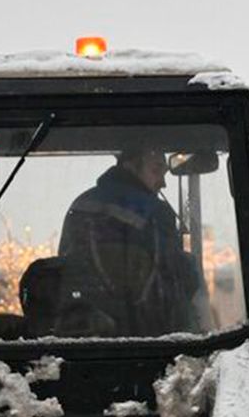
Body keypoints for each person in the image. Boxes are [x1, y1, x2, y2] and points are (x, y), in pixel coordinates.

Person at [54, 143, 206, 336]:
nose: (163, 182)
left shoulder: (81, 204)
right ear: (130, 167)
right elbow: (175, 278)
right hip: (146, 334)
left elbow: (67, 263)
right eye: (156, 169)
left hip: (85, 330)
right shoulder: (155, 212)